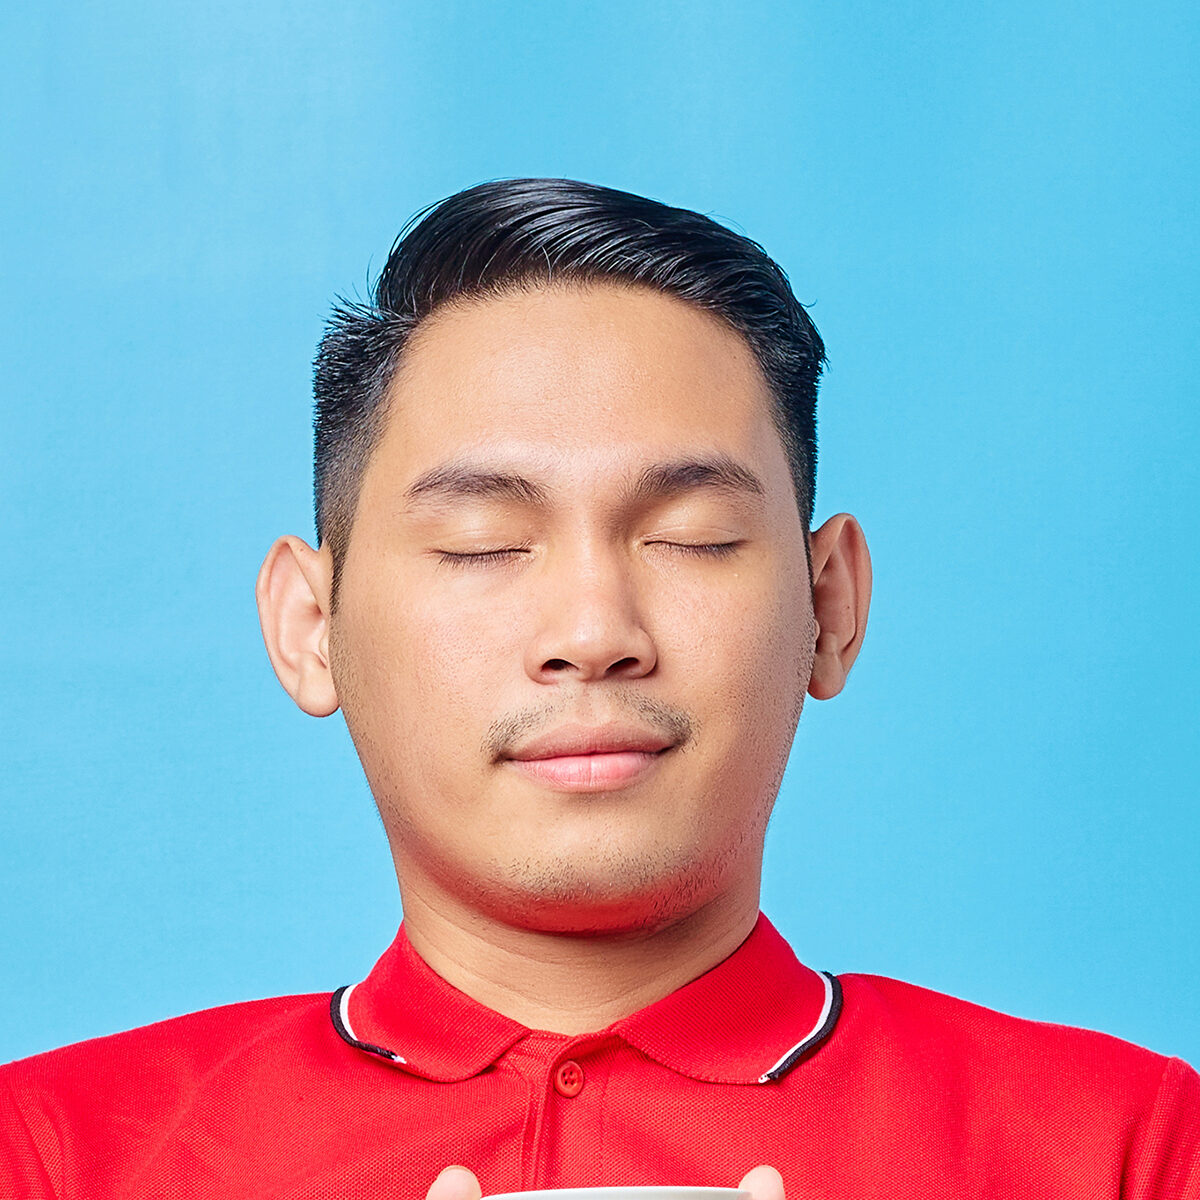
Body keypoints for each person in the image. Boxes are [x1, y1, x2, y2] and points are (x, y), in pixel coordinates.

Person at [2, 178, 1196, 1200]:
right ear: (313, 627)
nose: (592, 633)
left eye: (691, 535)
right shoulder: (56, 1154)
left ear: (830, 605)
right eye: (480, 543)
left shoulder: (1129, 1149)